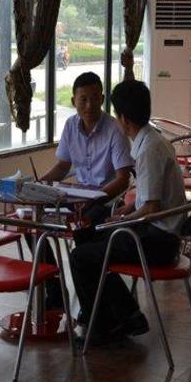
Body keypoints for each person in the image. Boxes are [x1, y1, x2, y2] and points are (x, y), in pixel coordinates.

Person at [70, 80, 187, 344]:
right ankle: (122, 314)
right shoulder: (152, 140)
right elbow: (150, 194)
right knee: (86, 235)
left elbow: (152, 208)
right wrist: (128, 209)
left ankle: (103, 325)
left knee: (81, 257)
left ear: (123, 118)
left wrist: (123, 218)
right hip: (157, 232)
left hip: (158, 241)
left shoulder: (148, 150)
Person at [38, 72, 134, 309]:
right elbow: (63, 166)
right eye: (83, 99)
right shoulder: (70, 126)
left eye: (94, 98)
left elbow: (123, 179)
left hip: (106, 201)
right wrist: (38, 186)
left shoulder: (115, 129)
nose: (89, 105)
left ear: (102, 98)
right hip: (76, 198)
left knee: (83, 229)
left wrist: (95, 199)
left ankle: (90, 302)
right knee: (33, 220)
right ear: (74, 101)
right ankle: (54, 288)